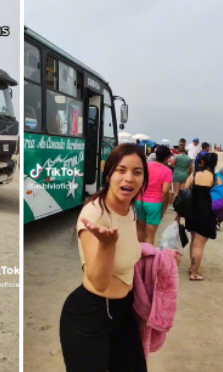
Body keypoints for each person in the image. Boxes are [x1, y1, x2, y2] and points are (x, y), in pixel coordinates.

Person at [59, 144, 152, 371]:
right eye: (121, 170)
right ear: (109, 174)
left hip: (123, 311)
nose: (129, 178)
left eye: (137, 172)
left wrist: (159, 257)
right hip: (88, 315)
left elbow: (129, 250)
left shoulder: (129, 208)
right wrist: (107, 245)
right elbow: (99, 282)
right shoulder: (94, 214)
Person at [184, 152, 221, 281]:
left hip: (192, 211)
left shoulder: (193, 175)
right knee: (199, 245)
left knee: (194, 241)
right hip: (207, 213)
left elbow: (185, 189)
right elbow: (222, 196)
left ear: (203, 162)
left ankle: (191, 267)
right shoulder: (216, 178)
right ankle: (194, 273)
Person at [136, 146, 173, 244]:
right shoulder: (167, 171)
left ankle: (140, 254)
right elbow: (165, 191)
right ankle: (148, 257)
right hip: (155, 204)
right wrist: (164, 207)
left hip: (140, 201)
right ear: (166, 158)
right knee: (150, 235)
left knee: (140, 230)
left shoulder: (146, 166)